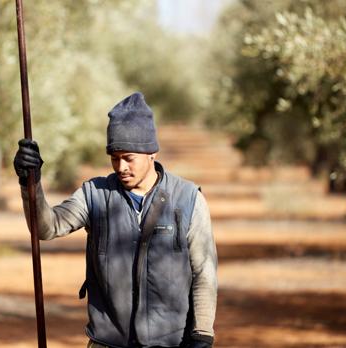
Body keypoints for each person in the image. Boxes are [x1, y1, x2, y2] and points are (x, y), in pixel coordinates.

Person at [14, 92, 217, 348]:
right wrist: (30, 183)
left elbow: (204, 274)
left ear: (151, 152)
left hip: (171, 343)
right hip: (106, 343)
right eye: (114, 157)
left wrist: (202, 335)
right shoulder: (94, 195)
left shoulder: (188, 199)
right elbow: (46, 227)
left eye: (128, 158)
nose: (120, 167)